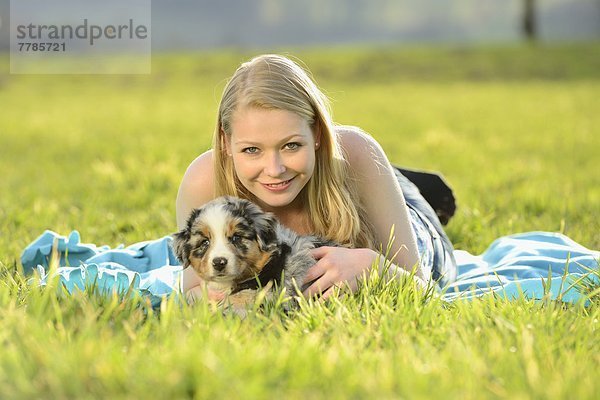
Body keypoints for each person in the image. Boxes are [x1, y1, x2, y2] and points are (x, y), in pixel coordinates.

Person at [175, 54, 456, 302]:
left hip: (412, 226)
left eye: (291, 145)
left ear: (318, 134)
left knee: (417, 197)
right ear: (226, 143)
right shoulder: (204, 181)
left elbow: (424, 289)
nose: (274, 169)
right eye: (251, 150)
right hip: (325, 167)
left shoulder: (357, 153)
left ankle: (400, 183)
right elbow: (191, 292)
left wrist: (373, 267)